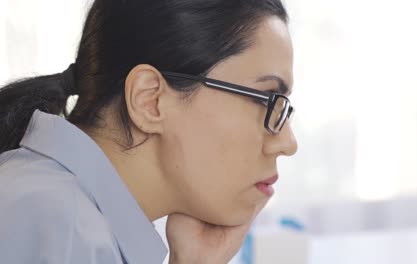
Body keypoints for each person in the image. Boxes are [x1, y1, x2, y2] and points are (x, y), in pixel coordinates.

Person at [0, 0, 297, 263]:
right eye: (266, 99)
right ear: (150, 99)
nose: (287, 143)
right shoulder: (60, 226)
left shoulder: (66, 215)